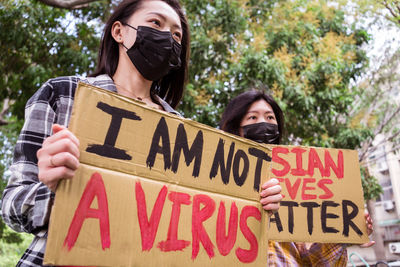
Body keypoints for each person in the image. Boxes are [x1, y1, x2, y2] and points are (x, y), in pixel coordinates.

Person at [1, 0, 190, 266]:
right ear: (119, 32)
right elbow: (11, 208)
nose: (167, 38)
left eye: (176, 35)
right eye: (155, 23)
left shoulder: (182, 131)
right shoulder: (61, 94)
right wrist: (53, 188)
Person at [219, 90, 374, 266]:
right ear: (235, 126)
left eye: (270, 118)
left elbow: (312, 260)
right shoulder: (215, 176)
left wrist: (344, 229)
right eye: (253, 118)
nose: (263, 123)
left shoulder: (291, 181)